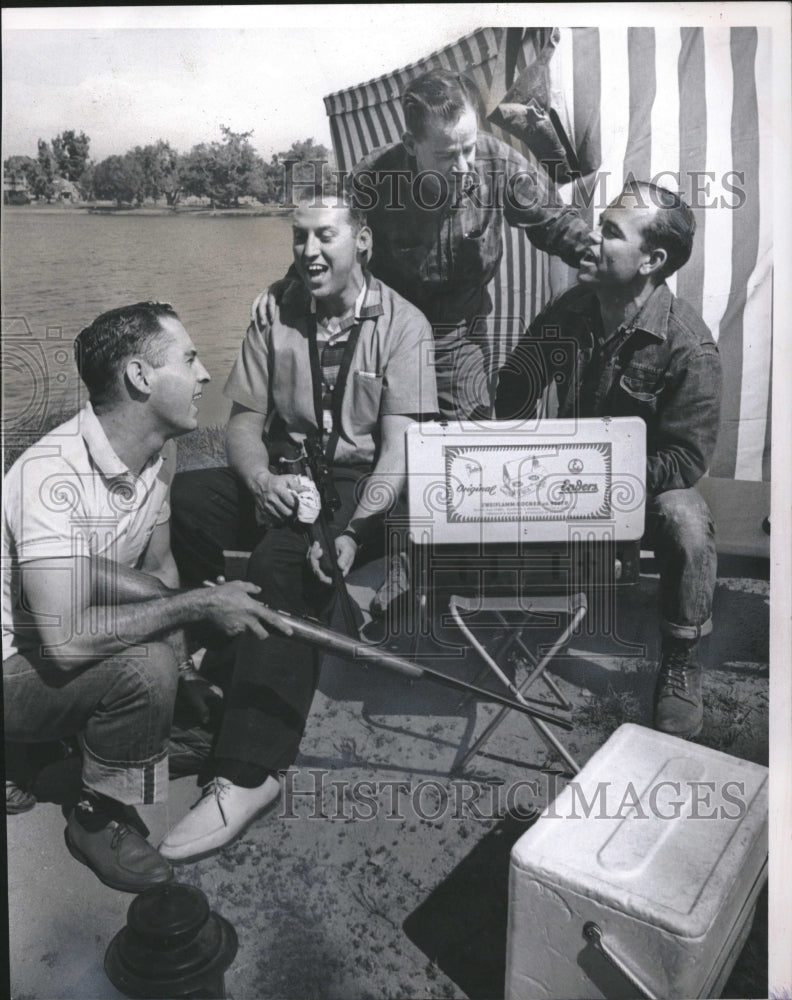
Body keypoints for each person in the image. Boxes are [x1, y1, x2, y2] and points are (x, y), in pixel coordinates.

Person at [160, 194, 438, 862]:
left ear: (362, 240)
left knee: (281, 564)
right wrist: (262, 484)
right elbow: (245, 426)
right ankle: (222, 657)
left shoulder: (405, 325)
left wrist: (351, 533)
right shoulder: (276, 311)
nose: (309, 252)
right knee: (186, 504)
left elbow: (399, 453)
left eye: (325, 237)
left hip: (360, 485)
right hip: (283, 472)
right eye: (299, 238)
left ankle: (250, 772)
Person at [2, 301, 287, 892]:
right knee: (145, 666)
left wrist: (187, 673)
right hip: (18, 665)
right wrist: (194, 615)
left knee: (214, 720)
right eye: (188, 358)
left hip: (75, 652)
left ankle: (60, 754)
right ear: (139, 377)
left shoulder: (158, 453)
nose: (205, 373)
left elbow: (160, 565)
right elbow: (62, 645)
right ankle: (94, 815)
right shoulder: (48, 477)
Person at [496, 182, 722, 739]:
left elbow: (685, 458)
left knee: (687, 520)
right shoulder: (573, 307)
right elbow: (515, 394)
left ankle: (679, 659)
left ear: (653, 260)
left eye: (612, 233)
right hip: (568, 480)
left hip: (641, 491)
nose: (593, 241)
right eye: (600, 226)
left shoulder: (689, 345)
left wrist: (603, 477)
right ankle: (491, 615)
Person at [349, 67, 591, 421]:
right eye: (447, 155)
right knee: (383, 444)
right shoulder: (373, 175)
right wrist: (289, 294)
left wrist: (605, 255)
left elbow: (556, 223)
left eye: (468, 148)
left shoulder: (499, 163)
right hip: (386, 332)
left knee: (465, 448)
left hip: (458, 334)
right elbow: (330, 243)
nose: (463, 167)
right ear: (411, 144)